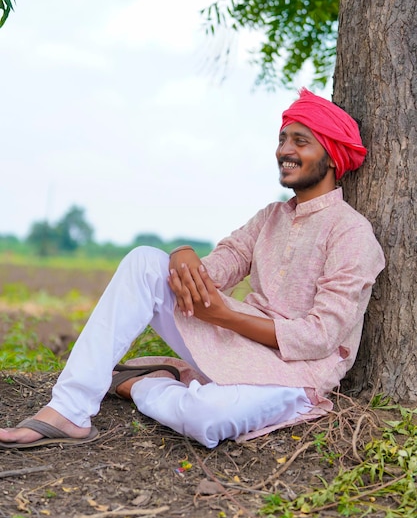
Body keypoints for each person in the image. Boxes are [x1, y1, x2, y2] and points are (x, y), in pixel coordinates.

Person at [0, 88, 385, 450]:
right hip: (242, 343)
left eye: (300, 142)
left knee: (207, 419)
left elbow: (320, 337)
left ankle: (142, 385)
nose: (285, 150)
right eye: (282, 139)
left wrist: (224, 316)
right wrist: (181, 257)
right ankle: (69, 410)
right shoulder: (271, 217)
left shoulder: (352, 233)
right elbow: (221, 266)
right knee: (144, 262)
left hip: (297, 375)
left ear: (332, 156)